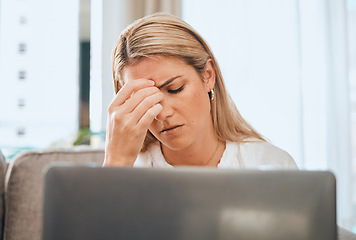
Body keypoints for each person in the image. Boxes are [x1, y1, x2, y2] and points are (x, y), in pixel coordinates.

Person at [103, 13, 298, 169]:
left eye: (175, 89)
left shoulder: (269, 165)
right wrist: (116, 163)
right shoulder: (127, 170)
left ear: (208, 75)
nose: (162, 113)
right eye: (145, 100)